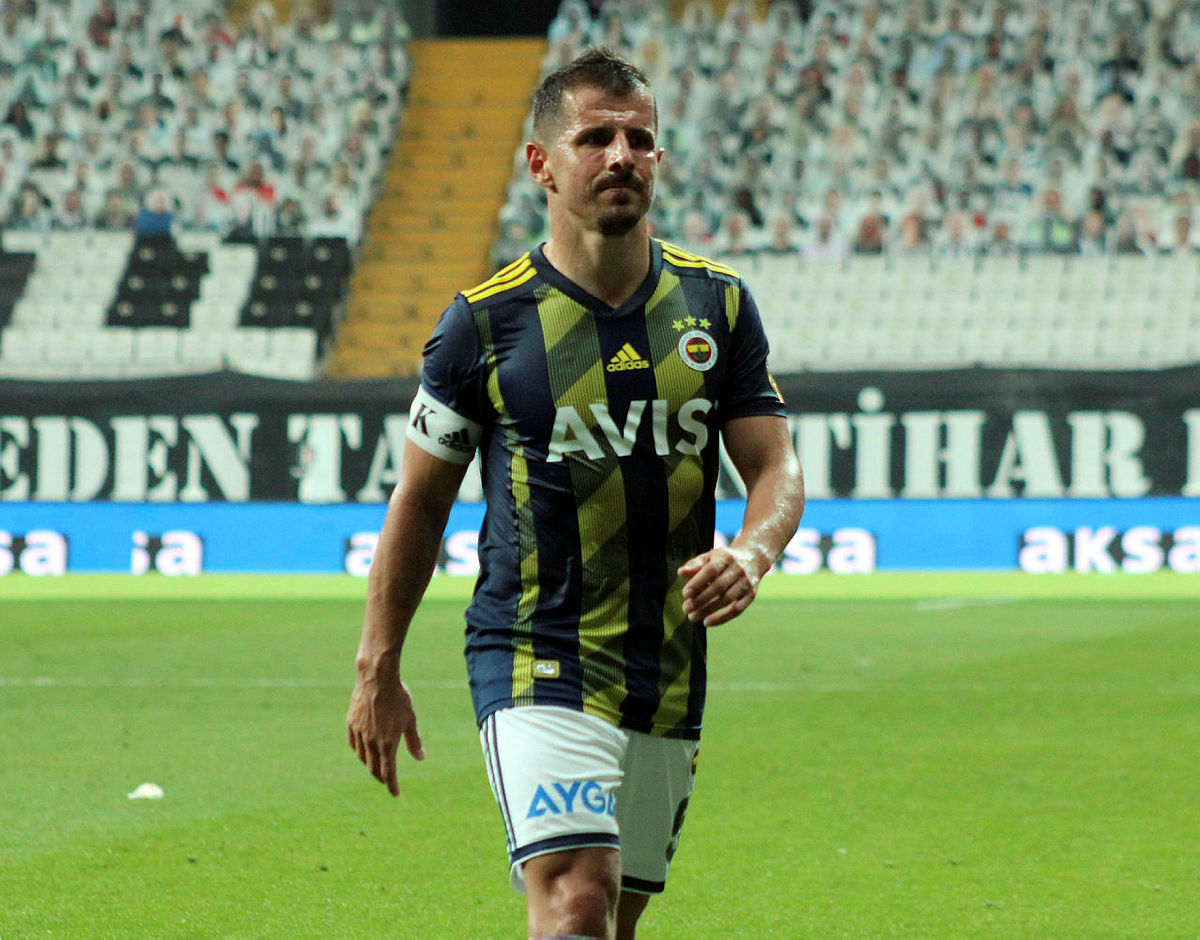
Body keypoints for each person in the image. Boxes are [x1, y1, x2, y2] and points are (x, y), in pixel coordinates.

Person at [346, 48, 805, 940]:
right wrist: (378, 664)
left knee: (613, 921)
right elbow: (420, 504)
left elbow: (775, 467)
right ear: (542, 164)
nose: (621, 156)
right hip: (535, 650)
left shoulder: (718, 306)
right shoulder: (483, 323)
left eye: (640, 139)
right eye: (595, 138)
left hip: (666, 661)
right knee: (576, 898)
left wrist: (753, 553)